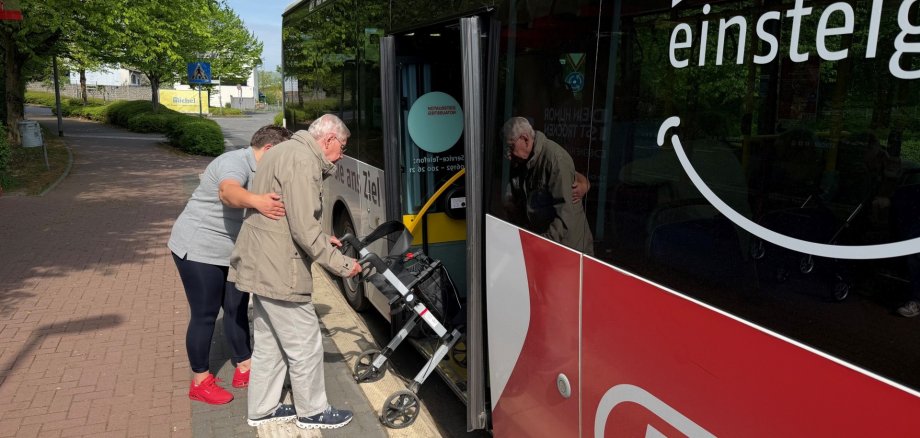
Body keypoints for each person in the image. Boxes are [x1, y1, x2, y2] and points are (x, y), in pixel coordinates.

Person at [229, 114, 362, 430]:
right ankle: (313, 410)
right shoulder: (303, 161)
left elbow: (292, 214)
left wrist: (320, 234)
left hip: (262, 261)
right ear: (328, 140)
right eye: (341, 147)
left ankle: (261, 408)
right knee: (305, 342)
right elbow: (303, 227)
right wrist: (343, 265)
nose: (341, 155)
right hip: (280, 267)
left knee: (270, 343)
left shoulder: (282, 150)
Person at [168, 125, 293, 405]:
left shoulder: (267, 170)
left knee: (236, 306)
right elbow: (228, 192)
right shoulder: (233, 162)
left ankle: (244, 365)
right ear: (270, 150)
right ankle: (200, 381)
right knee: (205, 314)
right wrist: (257, 201)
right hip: (198, 248)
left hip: (232, 251)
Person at [503, 116, 594, 255]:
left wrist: (540, 245)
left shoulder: (555, 159)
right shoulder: (520, 161)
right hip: (544, 241)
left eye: (510, 147)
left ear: (525, 139)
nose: (508, 155)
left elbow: (564, 215)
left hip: (567, 249)